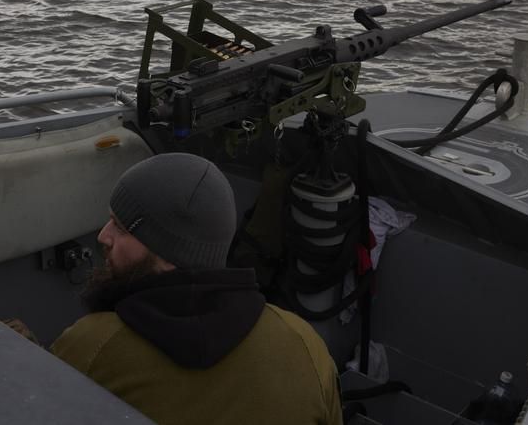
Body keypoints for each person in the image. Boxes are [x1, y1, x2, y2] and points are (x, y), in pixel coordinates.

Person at [50, 153, 343, 425]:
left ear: (167, 251)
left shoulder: (91, 346)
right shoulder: (304, 345)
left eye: (121, 228)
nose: (104, 236)